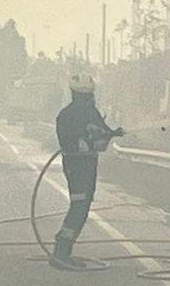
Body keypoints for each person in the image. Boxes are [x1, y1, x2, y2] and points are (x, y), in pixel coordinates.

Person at [50, 71, 123, 270]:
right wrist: (92, 140)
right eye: (86, 95)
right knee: (79, 206)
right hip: (76, 166)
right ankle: (61, 250)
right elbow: (71, 144)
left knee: (83, 206)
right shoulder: (67, 116)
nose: (88, 98)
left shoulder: (90, 113)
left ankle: (64, 250)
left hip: (88, 165)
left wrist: (112, 134)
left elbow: (102, 136)